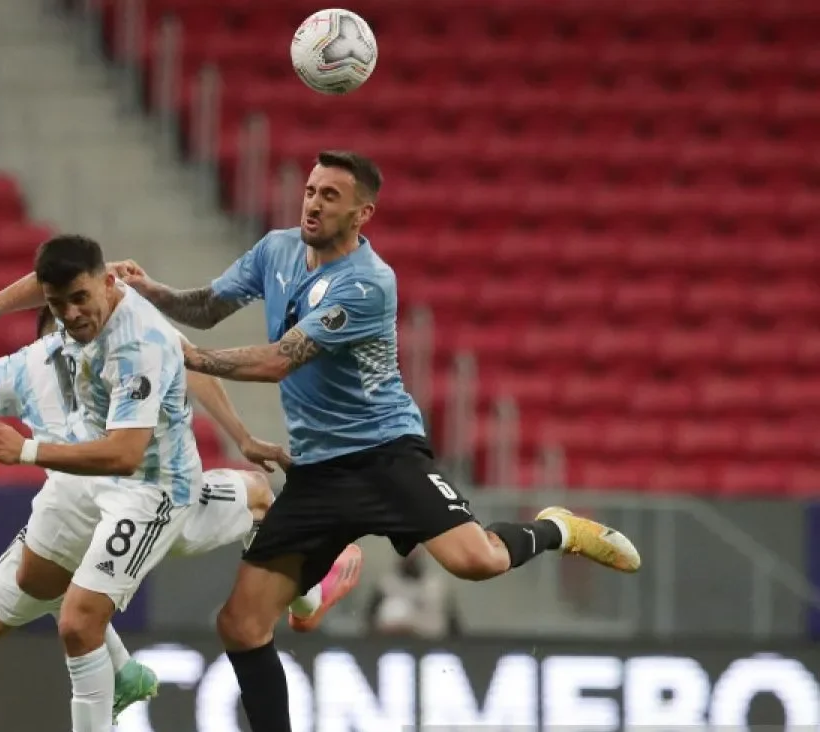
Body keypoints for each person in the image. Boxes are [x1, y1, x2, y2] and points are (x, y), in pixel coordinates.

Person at [98, 150, 642, 731]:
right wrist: (151, 290)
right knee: (241, 624)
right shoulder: (276, 250)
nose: (312, 203)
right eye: (310, 190)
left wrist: (188, 358)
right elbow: (206, 307)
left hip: (384, 453)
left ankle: (558, 527)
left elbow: (281, 361)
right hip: (317, 469)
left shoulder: (368, 284)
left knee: (476, 561)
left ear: (363, 214)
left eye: (330, 196)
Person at [0, 236, 360, 732]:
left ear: (107, 286)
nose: (73, 317)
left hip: (151, 494)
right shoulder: (51, 348)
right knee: (46, 616)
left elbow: (127, 447)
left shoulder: (130, 345)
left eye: (79, 302)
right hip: (96, 497)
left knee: (60, 616)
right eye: (60, 307)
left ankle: (299, 603)